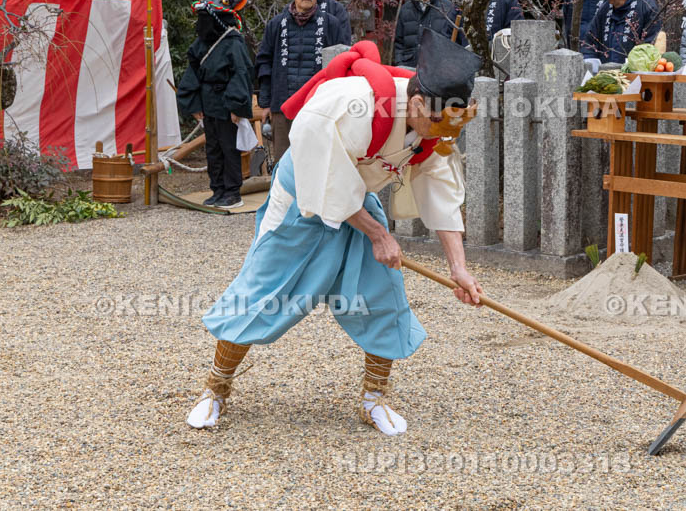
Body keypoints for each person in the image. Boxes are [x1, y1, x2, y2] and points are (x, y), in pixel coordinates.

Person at [185, 30, 484, 435]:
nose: (444, 133)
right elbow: (323, 178)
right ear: (416, 103)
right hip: (303, 198)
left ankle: (374, 397)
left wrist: (458, 267)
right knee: (261, 292)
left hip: (356, 200)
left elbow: (441, 195)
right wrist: (379, 235)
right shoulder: (353, 106)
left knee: (383, 294)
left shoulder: (429, 130)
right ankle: (216, 388)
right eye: (440, 123)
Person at [256, 0, 351, 162]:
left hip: (319, 106)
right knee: (284, 161)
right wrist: (265, 103)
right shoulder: (276, 24)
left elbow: (343, 64)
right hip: (282, 105)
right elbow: (264, 63)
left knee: (317, 160)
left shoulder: (331, 24)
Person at [176, 0, 255, 209]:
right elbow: (193, 73)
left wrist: (236, 107)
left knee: (229, 148)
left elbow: (241, 74)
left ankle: (232, 192)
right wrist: (194, 104)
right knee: (213, 148)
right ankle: (217, 189)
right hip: (207, 101)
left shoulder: (234, 42)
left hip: (226, 102)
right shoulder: (201, 44)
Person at [393, 0, 467, 67]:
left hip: (438, 68)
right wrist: (400, 63)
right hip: (409, 66)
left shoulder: (448, 8)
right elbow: (399, 43)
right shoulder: (406, 9)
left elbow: (457, 41)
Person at [582, 0, 661, 64]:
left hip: (633, 70)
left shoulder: (647, 8)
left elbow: (650, 46)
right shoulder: (605, 8)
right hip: (605, 69)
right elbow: (590, 40)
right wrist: (590, 62)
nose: (610, 1)